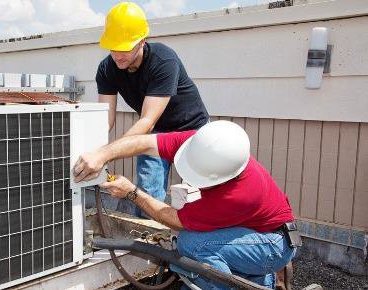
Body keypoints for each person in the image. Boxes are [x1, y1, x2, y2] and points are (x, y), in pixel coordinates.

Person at [73, 121, 299, 289]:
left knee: (193, 244)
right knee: (198, 251)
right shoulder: (203, 144)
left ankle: (251, 276)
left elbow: (176, 220)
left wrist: (132, 193)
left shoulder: (238, 194)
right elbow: (143, 142)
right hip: (255, 231)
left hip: (274, 245)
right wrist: (102, 154)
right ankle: (260, 281)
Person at [96, 2, 209, 216]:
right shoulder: (106, 69)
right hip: (155, 133)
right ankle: (147, 244)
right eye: (114, 47)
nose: (119, 54)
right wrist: (94, 150)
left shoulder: (163, 60)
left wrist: (106, 154)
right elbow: (106, 119)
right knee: (147, 194)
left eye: (126, 47)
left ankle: (194, 244)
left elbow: (147, 120)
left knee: (197, 196)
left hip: (192, 130)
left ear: (142, 41)